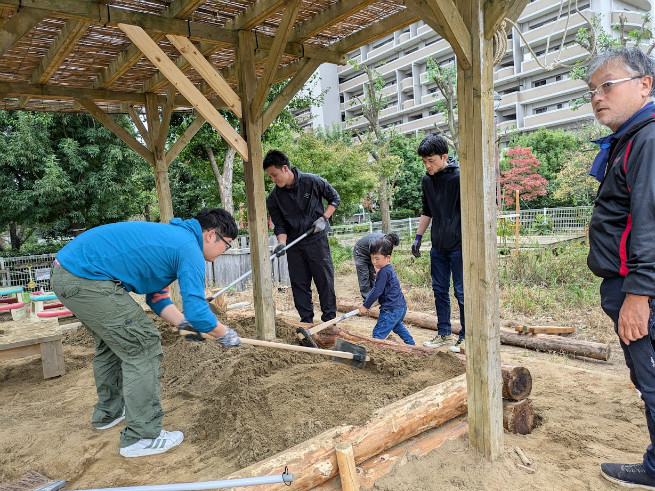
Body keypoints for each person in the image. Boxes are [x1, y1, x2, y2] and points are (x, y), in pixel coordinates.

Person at [51, 208, 242, 458]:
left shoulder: (173, 240)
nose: (222, 254)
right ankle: (142, 436)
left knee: (114, 344)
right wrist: (224, 333)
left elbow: (157, 296)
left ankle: (108, 414)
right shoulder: (188, 248)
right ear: (211, 235)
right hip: (86, 279)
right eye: (226, 246)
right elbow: (198, 311)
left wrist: (183, 324)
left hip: (68, 274)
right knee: (143, 345)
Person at [584, 47, 655, 489]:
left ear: (646, 83)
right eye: (592, 90)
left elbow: (648, 222)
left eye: (608, 84)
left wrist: (638, 295)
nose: (597, 96)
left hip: (639, 288)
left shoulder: (647, 140)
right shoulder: (630, 140)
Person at [264, 149, 340, 324]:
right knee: (299, 284)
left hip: (317, 239)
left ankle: (329, 321)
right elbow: (280, 225)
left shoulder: (312, 181)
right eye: (270, 177)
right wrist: (281, 243)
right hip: (294, 245)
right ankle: (306, 321)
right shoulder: (274, 198)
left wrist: (324, 218)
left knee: (324, 281)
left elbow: (334, 198)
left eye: (274, 175)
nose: (273, 180)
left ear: (285, 168)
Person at [412, 134, 465, 353]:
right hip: (438, 247)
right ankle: (444, 333)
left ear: (444, 157)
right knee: (439, 290)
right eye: (424, 161)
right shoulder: (427, 180)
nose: (427, 165)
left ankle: (466, 336)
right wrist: (418, 237)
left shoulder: (460, 177)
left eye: (431, 160)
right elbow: (428, 211)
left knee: (462, 292)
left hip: (460, 245)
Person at [359, 237, 415, 345]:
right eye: (372, 258)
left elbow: (376, 290)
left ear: (387, 257)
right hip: (400, 307)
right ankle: (411, 345)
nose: (374, 262)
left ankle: (375, 354)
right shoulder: (388, 269)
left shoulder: (383, 272)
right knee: (397, 326)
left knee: (377, 335)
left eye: (377, 258)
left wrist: (366, 305)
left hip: (391, 309)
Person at [353, 232, 400, 300]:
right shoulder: (375, 241)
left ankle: (374, 297)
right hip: (361, 253)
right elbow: (374, 257)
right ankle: (367, 300)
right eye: (392, 246)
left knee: (373, 275)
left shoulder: (387, 244)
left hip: (372, 256)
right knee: (364, 276)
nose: (392, 248)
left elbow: (386, 258)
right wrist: (378, 270)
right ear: (389, 242)